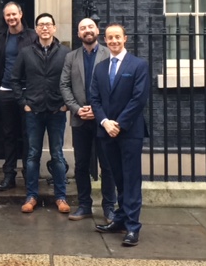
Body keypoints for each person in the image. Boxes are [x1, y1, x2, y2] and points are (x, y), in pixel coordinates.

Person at [91, 23, 150, 247]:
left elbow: (139, 99)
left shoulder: (138, 65)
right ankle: (121, 219)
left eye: (117, 37)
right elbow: (94, 99)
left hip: (129, 132)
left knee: (131, 179)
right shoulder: (100, 67)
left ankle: (133, 226)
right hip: (107, 132)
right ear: (105, 40)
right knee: (118, 177)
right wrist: (106, 122)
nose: (113, 41)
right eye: (109, 37)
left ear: (125, 38)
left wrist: (120, 124)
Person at [11, 13, 69, 214]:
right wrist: (23, 103)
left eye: (48, 24)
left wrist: (66, 104)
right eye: (41, 25)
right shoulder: (26, 52)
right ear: (36, 30)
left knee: (58, 155)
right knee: (32, 154)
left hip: (56, 110)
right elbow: (15, 79)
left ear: (54, 28)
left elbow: (70, 81)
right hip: (33, 110)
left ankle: (61, 197)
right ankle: (31, 195)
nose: (45, 28)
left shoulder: (65, 53)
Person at [60, 17, 116, 223]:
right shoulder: (71, 57)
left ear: (97, 30)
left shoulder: (108, 54)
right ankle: (84, 205)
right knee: (81, 165)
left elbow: (114, 85)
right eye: (83, 28)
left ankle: (109, 207)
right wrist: (76, 109)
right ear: (78, 34)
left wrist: (99, 111)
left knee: (107, 165)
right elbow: (64, 85)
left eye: (90, 27)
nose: (87, 31)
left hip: (104, 120)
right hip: (80, 119)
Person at [0, 2, 37, 191]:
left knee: (28, 136)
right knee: (8, 135)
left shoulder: (32, 36)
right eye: (7, 15)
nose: (11, 18)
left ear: (21, 14)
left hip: (27, 93)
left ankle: (29, 176)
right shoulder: (1, 38)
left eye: (14, 14)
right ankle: (9, 175)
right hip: (5, 92)